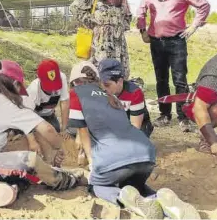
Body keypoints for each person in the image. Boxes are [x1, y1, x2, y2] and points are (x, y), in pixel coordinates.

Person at [67, 61, 200, 219]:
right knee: (133, 187)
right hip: (146, 153)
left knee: (97, 186)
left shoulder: (76, 93)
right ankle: (160, 198)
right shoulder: (113, 97)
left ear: (75, 82)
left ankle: (123, 198)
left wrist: (92, 162)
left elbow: (82, 131)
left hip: (114, 157)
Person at [0, 60, 83, 207]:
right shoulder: (8, 104)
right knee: (30, 161)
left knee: (25, 176)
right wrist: (59, 148)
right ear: (14, 83)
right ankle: (64, 180)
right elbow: (48, 130)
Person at [136, 0, 210, 132]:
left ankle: (184, 117)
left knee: (180, 80)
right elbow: (140, 11)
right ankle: (165, 114)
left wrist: (193, 26)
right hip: (156, 42)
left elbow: (204, 5)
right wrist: (143, 31)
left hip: (177, 41)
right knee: (161, 80)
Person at [70, 0, 132, 79]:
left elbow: (128, 16)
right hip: (99, 45)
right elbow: (74, 7)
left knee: (118, 77)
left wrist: (119, 27)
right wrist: (92, 23)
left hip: (118, 45)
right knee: (101, 76)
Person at [182, 37, 217, 158]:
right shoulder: (213, 76)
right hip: (211, 104)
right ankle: (207, 141)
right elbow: (199, 108)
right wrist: (214, 142)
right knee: (214, 111)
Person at [98, 58, 153, 137]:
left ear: (120, 81)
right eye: (101, 83)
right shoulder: (98, 91)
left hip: (137, 125)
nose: (103, 88)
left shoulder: (134, 93)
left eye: (107, 85)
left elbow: (135, 126)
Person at [23, 59, 69, 133]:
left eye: (55, 85)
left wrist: (64, 128)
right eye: (49, 87)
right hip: (34, 116)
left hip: (49, 115)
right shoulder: (33, 90)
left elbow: (65, 102)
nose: (53, 90)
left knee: (56, 130)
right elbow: (26, 115)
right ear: (39, 79)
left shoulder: (62, 77)